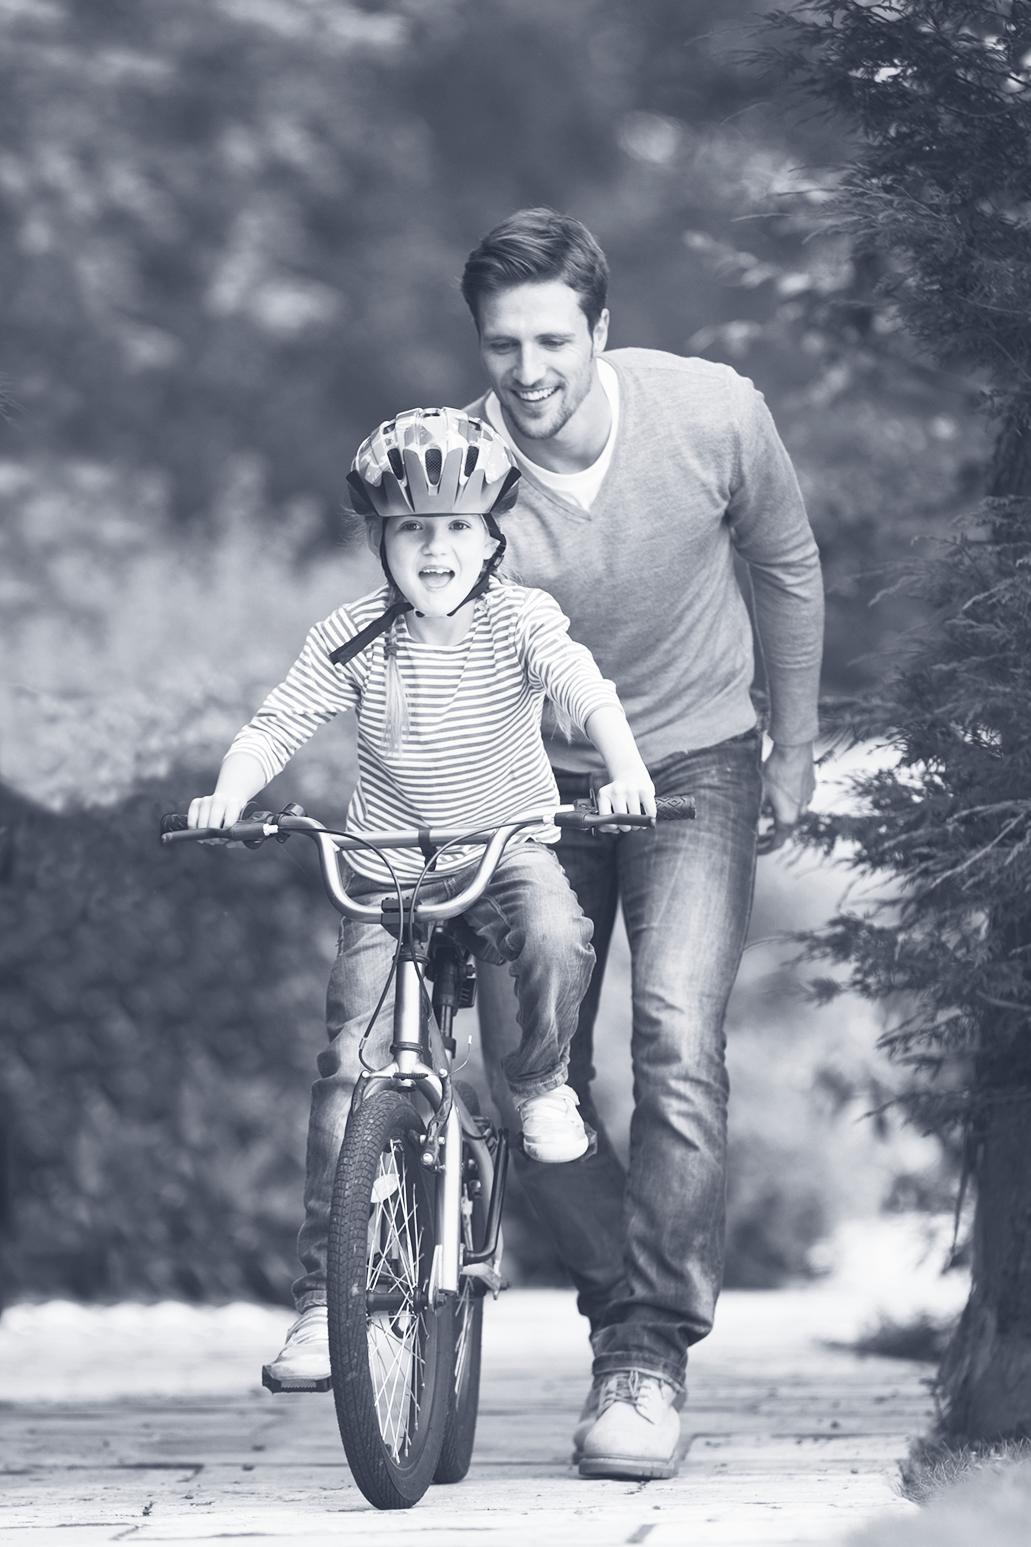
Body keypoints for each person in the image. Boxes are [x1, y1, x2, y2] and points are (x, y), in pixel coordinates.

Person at [459, 208, 825, 1481]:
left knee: (674, 1039)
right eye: (501, 345)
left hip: (694, 763)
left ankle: (644, 1355)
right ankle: (626, 1294)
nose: (528, 370)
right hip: (529, 784)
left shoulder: (711, 413)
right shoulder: (458, 471)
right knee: (531, 1071)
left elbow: (785, 565)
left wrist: (794, 746)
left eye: (552, 339)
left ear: (600, 329)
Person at [185, 407, 656, 1387]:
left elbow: (581, 687)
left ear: (492, 538)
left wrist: (623, 769)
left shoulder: (520, 620)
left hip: (503, 850)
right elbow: (278, 721)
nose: (434, 548)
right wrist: (229, 792)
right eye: (410, 528)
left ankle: (539, 1085)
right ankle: (325, 1303)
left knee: (553, 929)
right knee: (348, 1070)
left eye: (456, 527)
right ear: (379, 539)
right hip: (388, 866)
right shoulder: (354, 634)